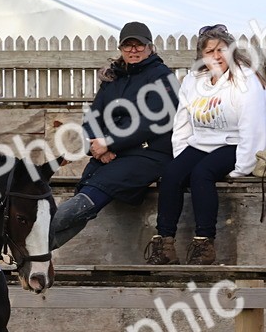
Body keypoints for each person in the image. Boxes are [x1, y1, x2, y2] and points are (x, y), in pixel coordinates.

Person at [146, 24, 266, 266]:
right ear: (201, 56)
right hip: (202, 143)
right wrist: (180, 159)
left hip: (237, 143)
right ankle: (164, 244)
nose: (216, 56)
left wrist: (242, 168)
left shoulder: (246, 81)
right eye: (210, 51)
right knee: (170, 175)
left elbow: (253, 129)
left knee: (202, 174)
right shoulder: (193, 81)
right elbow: (183, 122)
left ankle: (204, 244)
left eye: (221, 50)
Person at [49, 21, 176, 249]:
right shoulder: (113, 78)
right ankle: (30, 255)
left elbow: (154, 121)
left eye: (139, 45)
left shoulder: (162, 77)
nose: (133, 50)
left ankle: (31, 238)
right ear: (121, 48)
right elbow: (92, 118)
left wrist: (110, 143)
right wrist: (96, 148)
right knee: (85, 193)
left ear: (150, 47)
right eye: (128, 46)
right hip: (110, 154)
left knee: (93, 192)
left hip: (149, 154)